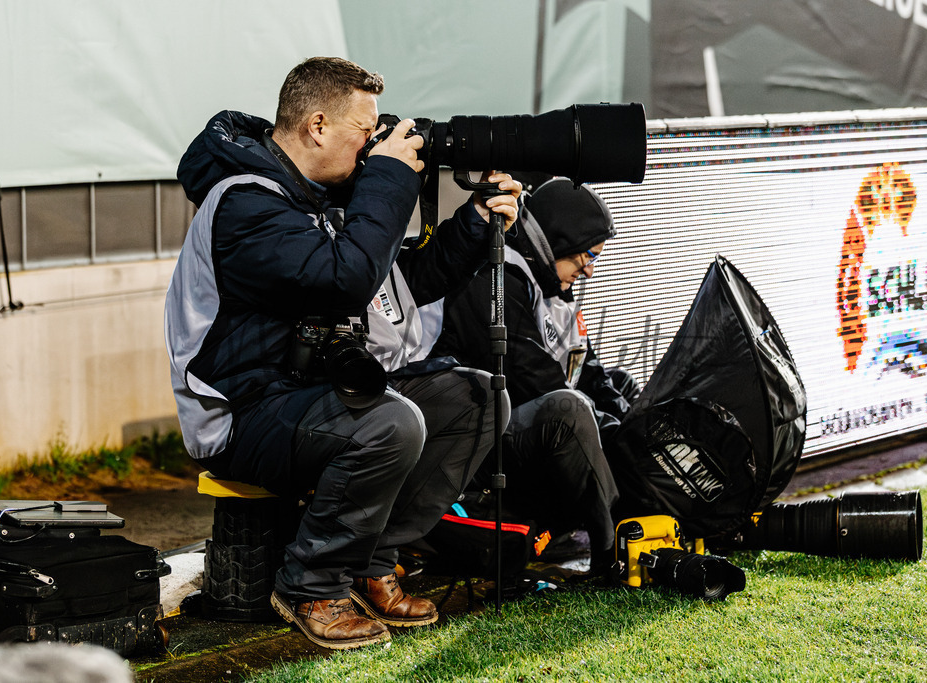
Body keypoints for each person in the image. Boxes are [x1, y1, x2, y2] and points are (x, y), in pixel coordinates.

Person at [165, 56, 519, 650]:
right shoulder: (245, 202)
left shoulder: (309, 198)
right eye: (366, 131)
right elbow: (344, 279)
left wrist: (476, 221)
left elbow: (392, 281)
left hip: (307, 395)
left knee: (479, 398)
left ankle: (371, 563)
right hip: (241, 413)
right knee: (390, 422)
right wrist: (387, 180)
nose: (373, 144)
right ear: (319, 125)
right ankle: (310, 585)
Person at [431, 177, 634, 577]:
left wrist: (631, 421)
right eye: (586, 257)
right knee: (571, 409)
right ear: (558, 240)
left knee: (621, 388)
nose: (589, 271)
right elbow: (532, 377)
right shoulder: (496, 274)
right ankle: (610, 547)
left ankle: (644, 510)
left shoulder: (552, 281)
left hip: (531, 428)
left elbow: (584, 366)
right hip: (483, 440)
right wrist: (609, 425)